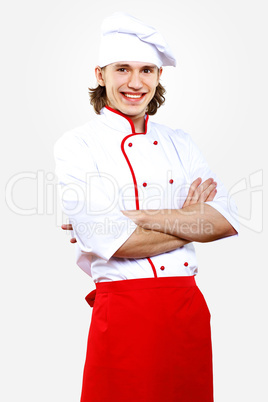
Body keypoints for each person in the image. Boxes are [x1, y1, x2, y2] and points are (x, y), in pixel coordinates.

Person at [54, 12, 238, 402]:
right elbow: (116, 244)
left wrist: (139, 217)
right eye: (123, 69)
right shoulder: (77, 145)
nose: (135, 83)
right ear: (101, 75)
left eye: (147, 71)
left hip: (186, 308)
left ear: (158, 77)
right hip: (123, 314)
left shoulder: (180, 141)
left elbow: (222, 222)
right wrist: (188, 220)